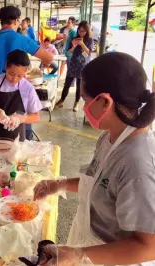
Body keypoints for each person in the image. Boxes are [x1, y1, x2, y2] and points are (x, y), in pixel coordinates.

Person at [33, 52, 155, 266]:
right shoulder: (110, 136)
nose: (82, 107)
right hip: (90, 243)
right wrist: (58, 184)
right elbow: (98, 182)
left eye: (85, 100)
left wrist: (80, 255)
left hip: (114, 259)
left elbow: (148, 246)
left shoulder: (137, 163)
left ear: (105, 102)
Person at [0, 5, 52, 140]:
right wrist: (27, 70)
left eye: (18, 74)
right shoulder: (22, 39)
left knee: (13, 128)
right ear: (17, 20)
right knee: (24, 131)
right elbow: (49, 58)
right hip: (18, 89)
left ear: (1, 21)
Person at [56, 21, 92, 112]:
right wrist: (74, 46)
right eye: (80, 31)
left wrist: (82, 44)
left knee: (79, 87)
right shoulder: (75, 38)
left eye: (83, 31)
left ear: (87, 31)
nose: (81, 33)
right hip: (73, 64)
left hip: (82, 66)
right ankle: (62, 100)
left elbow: (89, 53)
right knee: (67, 84)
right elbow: (68, 52)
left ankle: (76, 104)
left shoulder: (89, 40)